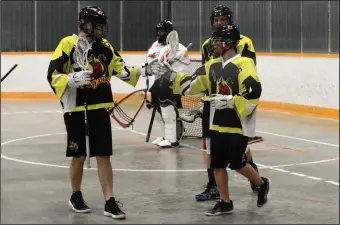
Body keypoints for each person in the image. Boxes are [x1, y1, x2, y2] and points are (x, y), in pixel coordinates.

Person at [148, 24, 270, 216]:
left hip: (237, 123)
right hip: (216, 121)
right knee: (217, 163)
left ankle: (261, 183)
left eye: (219, 40)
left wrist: (232, 101)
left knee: (237, 163)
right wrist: (170, 74)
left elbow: (254, 89)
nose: (214, 43)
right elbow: (191, 84)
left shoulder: (245, 63)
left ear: (229, 43)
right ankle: (225, 202)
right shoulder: (211, 65)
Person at [47, 6, 141, 220]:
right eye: (97, 24)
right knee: (78, 155)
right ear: (85, 24)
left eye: (102, 25)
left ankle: (109, 201)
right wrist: (70, 80)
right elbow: (52, 74)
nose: (101, 28)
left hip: (99, 107)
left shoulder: (105, 46)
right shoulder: (67, 44)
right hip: (76, 109)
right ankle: (76, 195)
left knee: (103, 154)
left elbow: (121, 69)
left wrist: (144, 70)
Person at [195, 5, 263, 202]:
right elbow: (205, 72)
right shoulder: (207, 43)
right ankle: (213, 185)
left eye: (223, 20)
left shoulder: (244, 42)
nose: (219, 23)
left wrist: (234, 97)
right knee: (209, 143)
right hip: (213, 100)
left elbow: (248, 69)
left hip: (235, 99)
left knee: (238, 142)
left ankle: (253, 172)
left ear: (230, 21)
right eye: (216, 20)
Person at [142, 20, 191, 148]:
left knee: (168, 112)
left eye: (161, 31)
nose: (159, 34)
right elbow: (149, 63)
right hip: (156, 85)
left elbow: (184, 70)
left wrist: (170, 69)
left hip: (170, 85)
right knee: (157, 111)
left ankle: (172, 139)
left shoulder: (181, 49)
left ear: (169, 32)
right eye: (157, 32)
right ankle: (165, 136)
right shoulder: (154, 46)